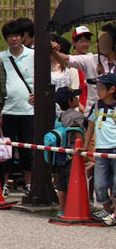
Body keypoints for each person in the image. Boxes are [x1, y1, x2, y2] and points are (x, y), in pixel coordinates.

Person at [0, 21, 35, 194]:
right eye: (10, 36)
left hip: (28, 110)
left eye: (17, 35)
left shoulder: (33, 55)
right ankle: (4, 183)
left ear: (23, 37)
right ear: (6, 38)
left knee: (27, 148)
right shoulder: (1, 58)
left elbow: (41, 77)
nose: (14, 39)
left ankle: (28, 183)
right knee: (5, 149)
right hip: (7, 109)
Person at [53, 26, 116, 113]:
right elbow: (66, 60)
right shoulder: (91, 60)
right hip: (94, 115)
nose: (98, 44)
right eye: (98, 41)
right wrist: (53, 51)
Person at [85, 73, 116, 226]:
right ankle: (108, 209)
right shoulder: (96, 106)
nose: (97, 90)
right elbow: (90, 126)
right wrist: (85, 147)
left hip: (115, 150)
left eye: (101, 88)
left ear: (111, 89)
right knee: (100, 184)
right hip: (101, 150)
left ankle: (114, 214)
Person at [51, 86, 86, 217]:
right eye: (75, 97)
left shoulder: (60, 117)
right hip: (72, 154)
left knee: (61, 185)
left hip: (60, 154)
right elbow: (78, 136)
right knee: (72, 181)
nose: (77, 99)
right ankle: (74, 207)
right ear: (70, 101)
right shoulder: (77, 116)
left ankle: (61, 209)